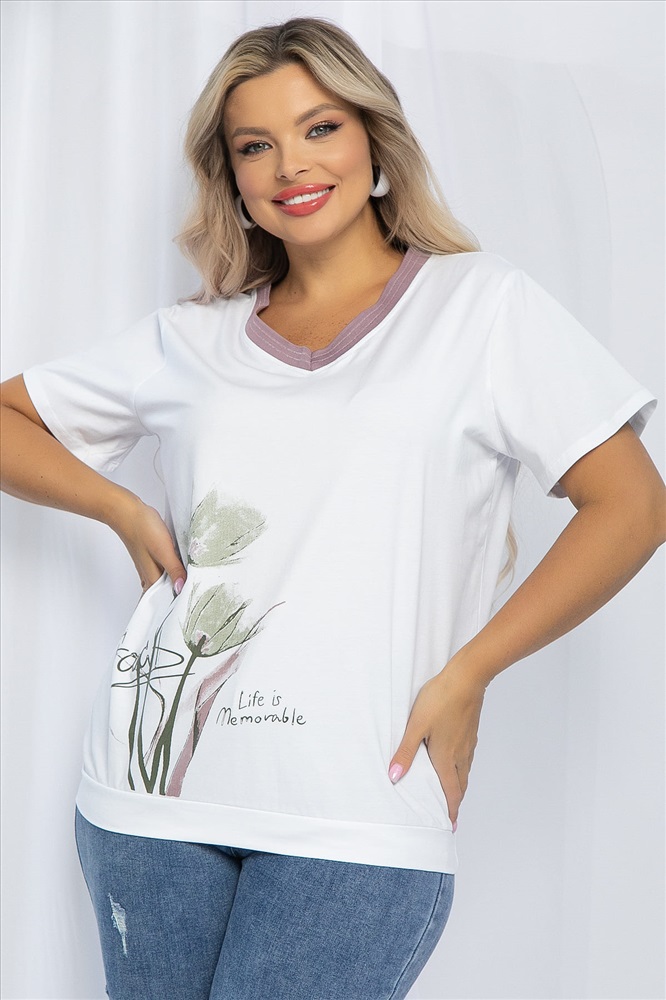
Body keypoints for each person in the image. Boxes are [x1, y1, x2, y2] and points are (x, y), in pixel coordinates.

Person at [1, 15, 664, 1000]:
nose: (291, 165)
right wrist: (120, 508)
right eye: (254, 144)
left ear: (373, 140)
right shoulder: (193, 340)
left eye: (320, 128)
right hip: (152, 801)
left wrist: (470, 671)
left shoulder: (483, 308)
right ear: (231, 176)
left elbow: (631, 505)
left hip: (361, 805)